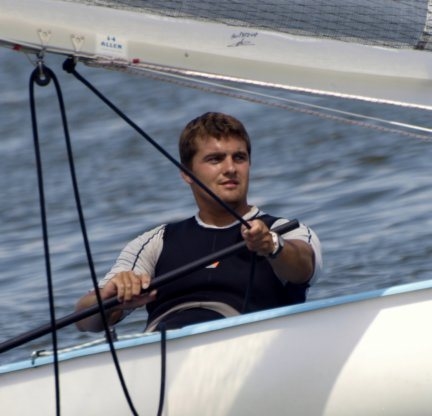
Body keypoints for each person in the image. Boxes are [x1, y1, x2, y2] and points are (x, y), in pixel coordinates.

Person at [75, 112, 322, 333]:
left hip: (245, 345)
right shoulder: (156, 242)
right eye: (215, 159)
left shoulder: (283, 230)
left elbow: (304, 268)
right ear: (187, 173)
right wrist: (107, 299)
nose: (230, 168)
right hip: (161, 348)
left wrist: (272, 246)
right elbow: (84, 321)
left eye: (239, 157)